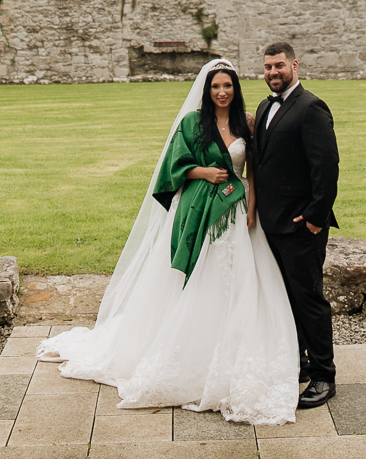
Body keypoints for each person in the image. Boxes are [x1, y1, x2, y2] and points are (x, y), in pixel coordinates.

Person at [36, 58, 300, 425]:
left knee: (238, 283)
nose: (222, 92)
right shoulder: (193, 123)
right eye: (215, 87)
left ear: (235, 89)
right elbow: (172, 169)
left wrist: (251, 210)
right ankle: (186, 347)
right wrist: (202, 171)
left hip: (236, 214)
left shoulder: (246, 124)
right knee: (200, 281)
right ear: (206, 91)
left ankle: (234, 347)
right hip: (198, 213)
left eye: (228, 86)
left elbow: (251, 173)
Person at [252, 40, 340, 409]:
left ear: (295, 65)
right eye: (268, 67)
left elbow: (327, 167)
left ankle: (324, 376)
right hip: (270, 224)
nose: (273, 72)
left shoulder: (311, 107)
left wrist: (316, 219)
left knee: (308, 299)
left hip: (302, 225)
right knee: (284, 297)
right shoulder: (263, 106)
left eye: (279, 66)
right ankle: (300, 362)